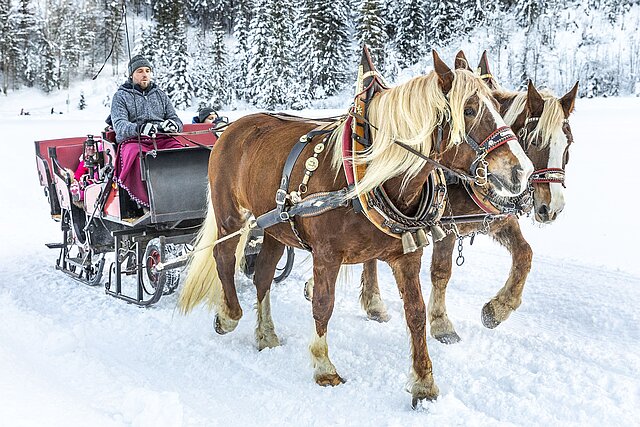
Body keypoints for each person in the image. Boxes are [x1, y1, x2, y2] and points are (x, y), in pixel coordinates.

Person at [110, 54, 184, 208]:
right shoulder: (121, 96)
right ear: (131, 75)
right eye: (140, 71)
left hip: (162, 138)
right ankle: (145, 202)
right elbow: (120, 125)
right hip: (134, 140)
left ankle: (183, 195)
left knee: (182, 153)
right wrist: (140, 128)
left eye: (147, 70)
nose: (145, 74)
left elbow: (176, 119)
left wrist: (172, 125)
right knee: (138, 157)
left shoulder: (160, 94)